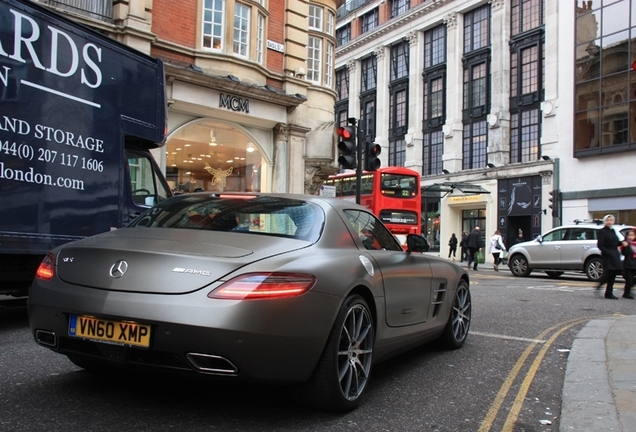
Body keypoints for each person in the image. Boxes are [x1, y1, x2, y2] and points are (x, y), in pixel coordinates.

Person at [596, 214, 625, 299]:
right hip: (607, 254)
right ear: (605, 221)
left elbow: (615, 242)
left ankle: (608, 291)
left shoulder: (613, 231)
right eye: (608, 220)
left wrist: (621, 243)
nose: (609, 222)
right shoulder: (602, 231)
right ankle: (605, 289)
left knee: (615, 272)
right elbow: (600, 245)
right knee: (610, 272)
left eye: (611, 220)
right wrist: (608, 252)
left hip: (615, 253)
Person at [621, 229, 636, 299]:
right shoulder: (626, 243)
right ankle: (626, 293)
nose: (631, 237)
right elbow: (624, 253)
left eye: (633, 235)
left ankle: (628, 289)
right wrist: (625, 246)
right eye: (629, 235)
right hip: (629, 264)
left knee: (631, 280)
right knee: (629, 280)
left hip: (635, 263)